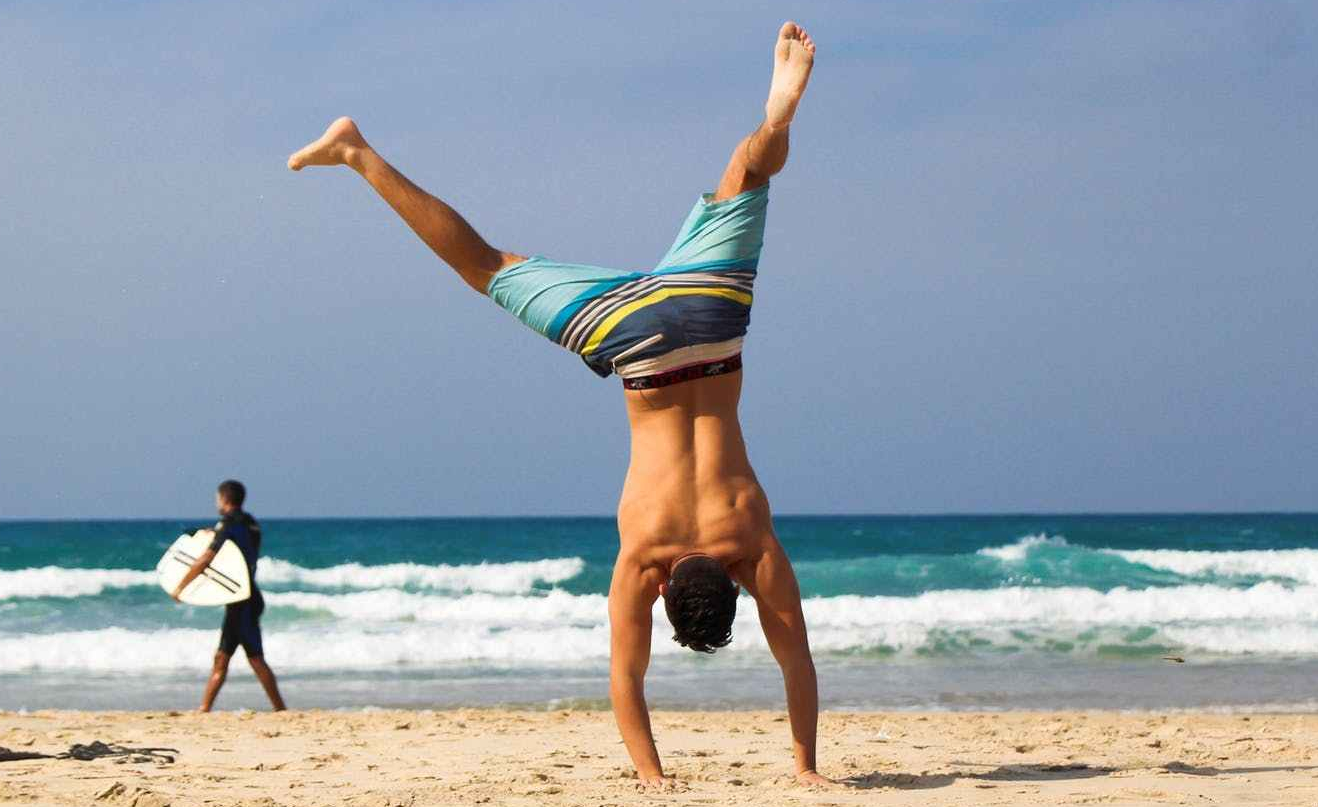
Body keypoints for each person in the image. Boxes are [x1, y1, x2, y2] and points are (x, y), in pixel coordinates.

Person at [287, 21, 827, 787]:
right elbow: (627, 677)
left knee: (747, 171)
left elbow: (798, 659)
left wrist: (807, 766)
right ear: (665, 591)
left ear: (733, 584)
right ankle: (356, 153)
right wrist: (650, 775)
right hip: (634, 345)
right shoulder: (646, 555)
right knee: (486, 265)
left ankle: (773, 123)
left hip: (710, 320)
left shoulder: (751, 539)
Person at [170, 479, 287, 712]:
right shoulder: (251, 524)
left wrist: (181, 587)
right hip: (247, 597)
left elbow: (206, 558)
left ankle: (280, 710)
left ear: (224, 498)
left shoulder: (228, 524)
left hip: (242, 603)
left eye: (217, 498)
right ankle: (204, 708)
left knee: (255, 658)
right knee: (222, 657)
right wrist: (213, 532)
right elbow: (239, 549)